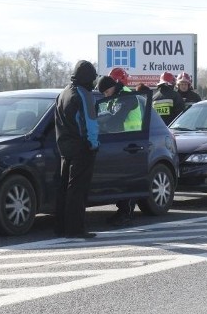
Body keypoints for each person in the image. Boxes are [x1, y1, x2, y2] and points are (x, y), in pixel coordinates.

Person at [54, 60, 100, 239]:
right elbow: (91, 123)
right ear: (88, 78)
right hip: (82, 148)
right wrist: (93, 144)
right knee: (78, 190)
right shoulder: (84, 94)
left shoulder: (64, 93)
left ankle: (61, 227)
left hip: (65, 148)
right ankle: (75, 229)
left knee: (64, 188)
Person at [96, 75, 143, 225]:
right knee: (122, 178)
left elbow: (116, 119)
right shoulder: (116, 97)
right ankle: (122, 210)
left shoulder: (126, 96)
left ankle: (127, 212)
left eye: (105, 92)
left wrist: (101, 124)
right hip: (122, 141)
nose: (105, 95)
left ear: (111, 87)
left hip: (131, 142)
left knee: (128, 179)